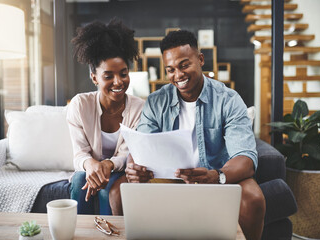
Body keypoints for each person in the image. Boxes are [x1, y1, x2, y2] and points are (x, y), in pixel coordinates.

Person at [110, 30, 266, 240]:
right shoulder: (157, 101)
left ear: (200, 59)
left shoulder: (228, 99)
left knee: (253, 199)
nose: (178, 75)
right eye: (170, 70)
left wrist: (217, 176)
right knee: (118, 191)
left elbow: (246, 158)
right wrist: (134, 167)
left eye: (184, 65)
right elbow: (142, 145)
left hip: (215, 176)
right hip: (168, 178)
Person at [67, 19, 144, 215]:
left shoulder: (139, 108)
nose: (118, 82)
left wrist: (108, 164)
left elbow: (128, 154)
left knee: (106, 190)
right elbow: (79, 153)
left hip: (119, 172)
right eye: (108, 76)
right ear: (94, 77)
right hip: (89, 171)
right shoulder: (80, 104)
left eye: (123, 74)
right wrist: (91, 165)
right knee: (79, 180)